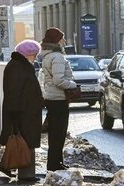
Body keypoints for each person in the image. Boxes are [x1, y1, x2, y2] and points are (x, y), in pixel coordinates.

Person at [0, 39, 44, 181]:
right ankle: (26, 174)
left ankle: (12, 167)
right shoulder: (17, 67)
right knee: (24, 141)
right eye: (34, 54)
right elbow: (14, 91)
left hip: (25, 111)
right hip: (22, 112)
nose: (35, 58)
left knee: (23, 141)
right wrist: (15, 114)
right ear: (27, 54)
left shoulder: (20, 65)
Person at [40, 27, 77, 171]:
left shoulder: (48, 56)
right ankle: (55, 165)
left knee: (55, 134)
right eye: (62, 38)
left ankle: (56, 163)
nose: (64, 40)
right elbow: (59, 80)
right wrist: (73, 85)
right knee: (58, 133)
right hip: (58, 99)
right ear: (56, 40)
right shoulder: (57, 57)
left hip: (51, 98)